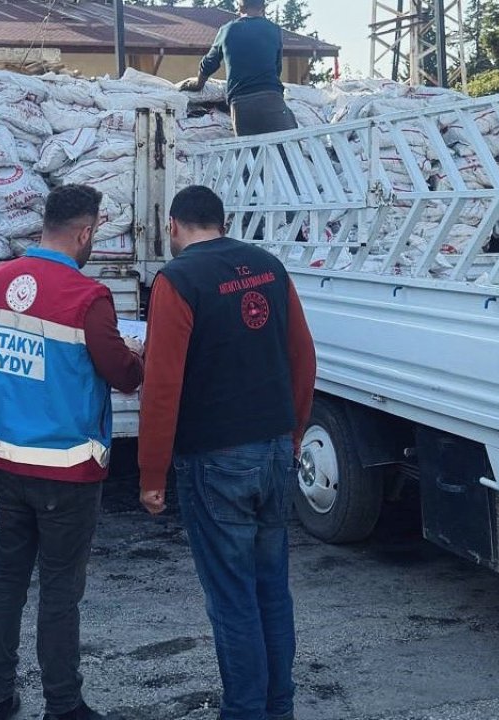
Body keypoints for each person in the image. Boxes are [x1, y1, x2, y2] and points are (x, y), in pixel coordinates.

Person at [137, 185, 317, 720]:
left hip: (214, 459)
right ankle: (276, 707)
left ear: (174, 226)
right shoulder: (268, 266)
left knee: (233, 601)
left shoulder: (178, 280)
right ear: (223, 220)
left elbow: (162, 384)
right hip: (274, 449)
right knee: (271, 593)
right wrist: (295, 432)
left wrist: (152, 472)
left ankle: (244, 712)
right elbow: (303, 357)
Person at [0, 184, 144, 720]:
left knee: (6, 582)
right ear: (86, 232)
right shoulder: (87, 296)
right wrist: (140, 349)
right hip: (67, 467)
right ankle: (64, 706)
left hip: (6, 460)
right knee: (59, 592)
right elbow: (124, 375)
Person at [178, 0, 299, 137]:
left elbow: (209, 63)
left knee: (251, 154)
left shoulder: (228, 30)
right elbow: (277, 68)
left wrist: (198, 83)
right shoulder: (274, 30)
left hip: (241, 103)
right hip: (271, 98)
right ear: (262, 7)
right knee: (288, 149)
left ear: (240, 6)